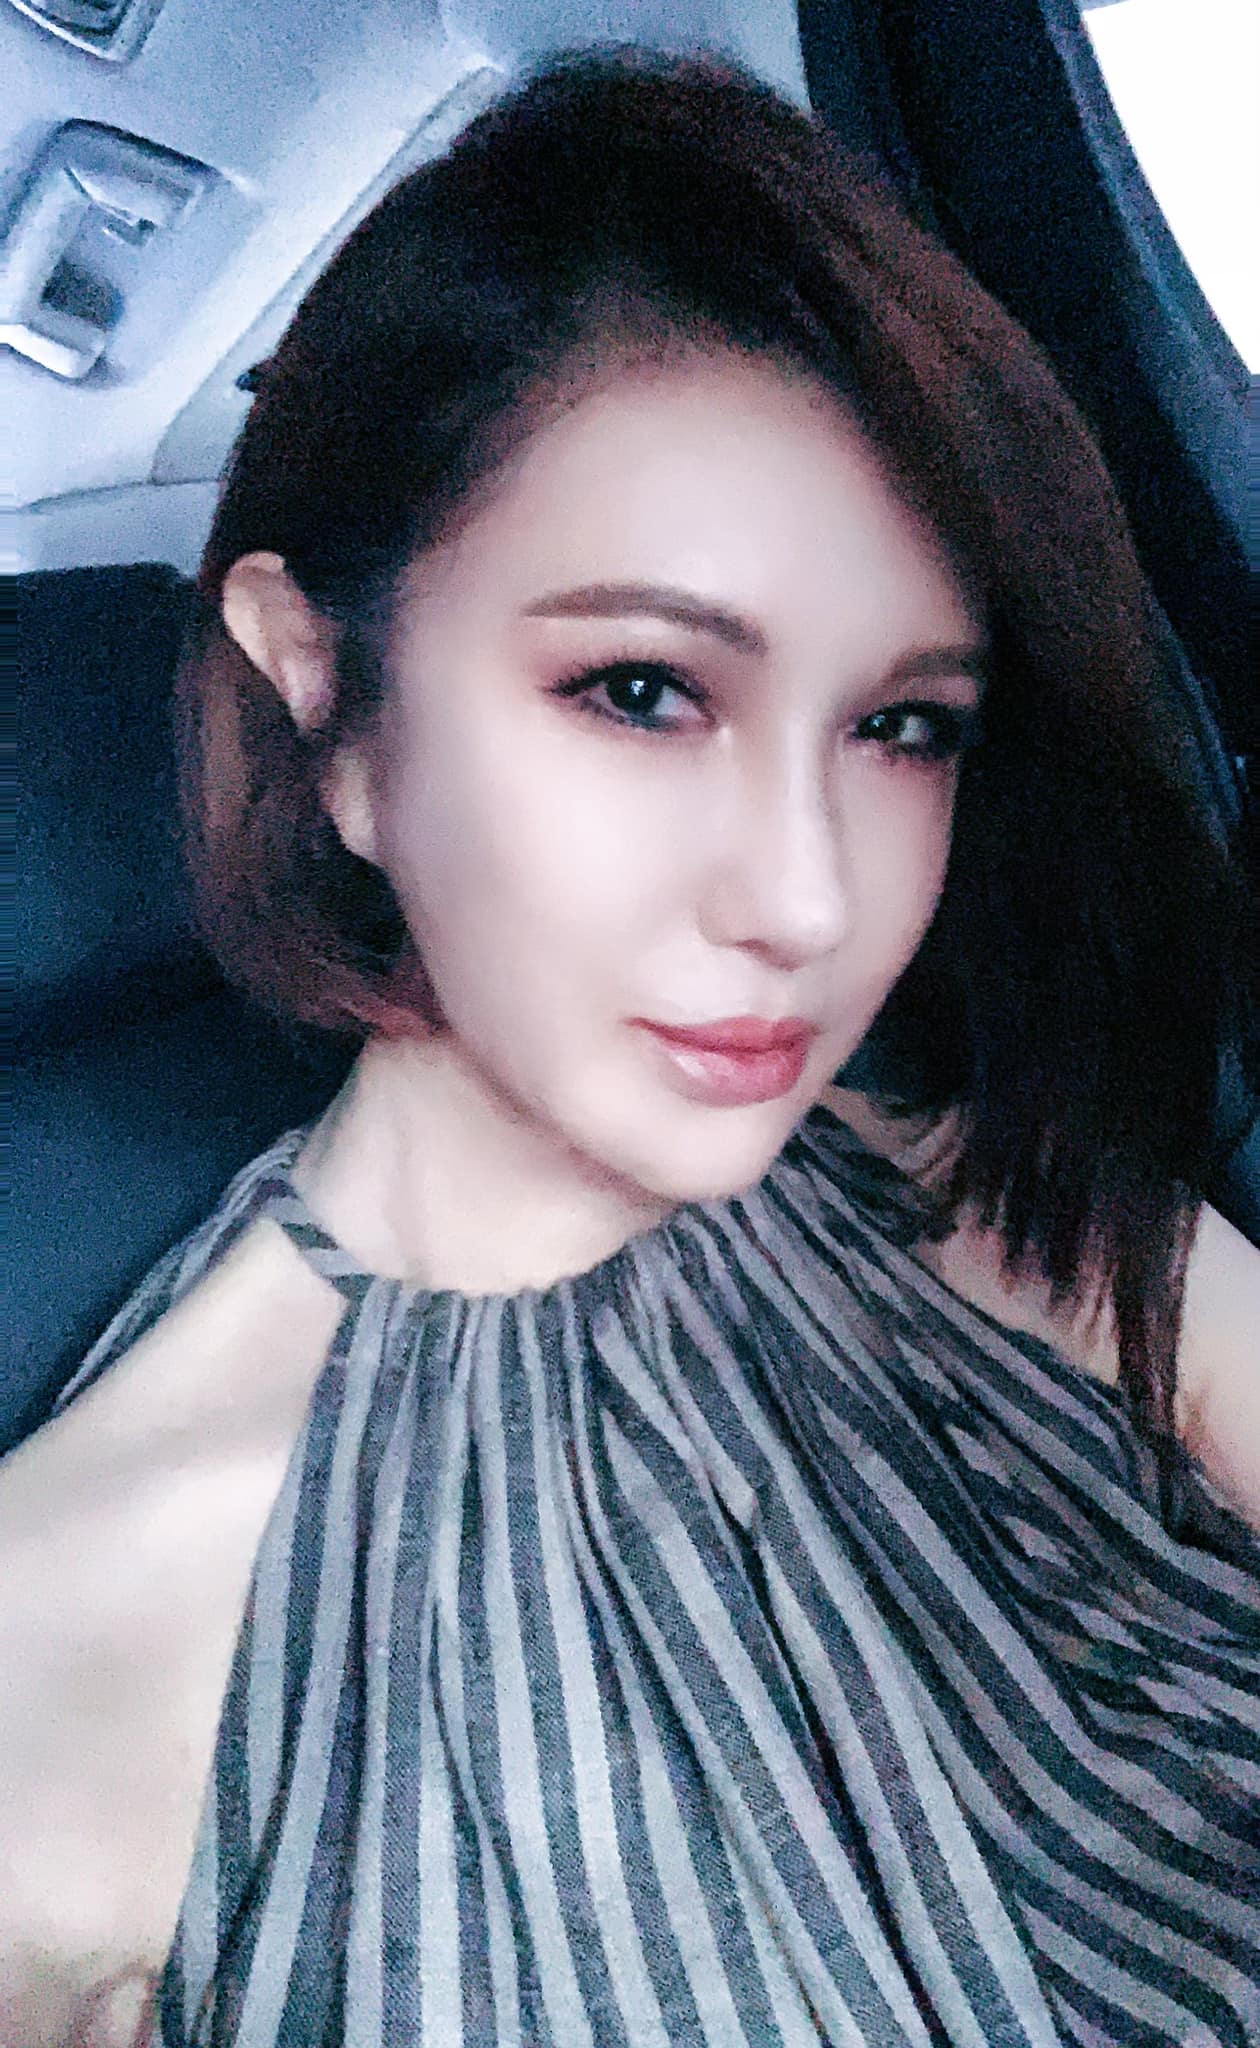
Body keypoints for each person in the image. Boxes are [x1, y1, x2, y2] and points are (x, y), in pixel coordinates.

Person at [2, 45, 1257, 2048]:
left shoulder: (1010, 1199)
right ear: (325, 696)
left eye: (904, 725)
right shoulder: (70, 1665)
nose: (814, 898)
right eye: (645, 690)